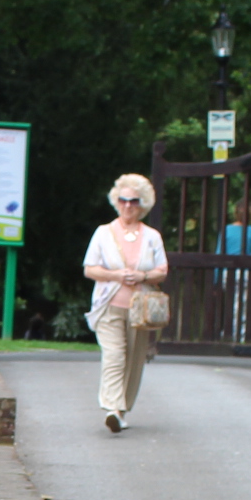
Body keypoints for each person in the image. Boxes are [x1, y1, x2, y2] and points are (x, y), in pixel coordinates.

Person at [82, 173, 170, 433]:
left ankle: (121, 410)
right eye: (123, 200)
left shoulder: (152, 236)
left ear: (142, 204)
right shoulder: (103, 233)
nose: (128, 205)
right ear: (116, 202)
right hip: (109, 305)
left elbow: (162, 270)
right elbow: (90, 269)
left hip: (140, 309)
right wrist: (115, 275)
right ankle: (111, 406)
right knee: (114, 354)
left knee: (134, 359)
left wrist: (142, 276)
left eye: (134, 201)